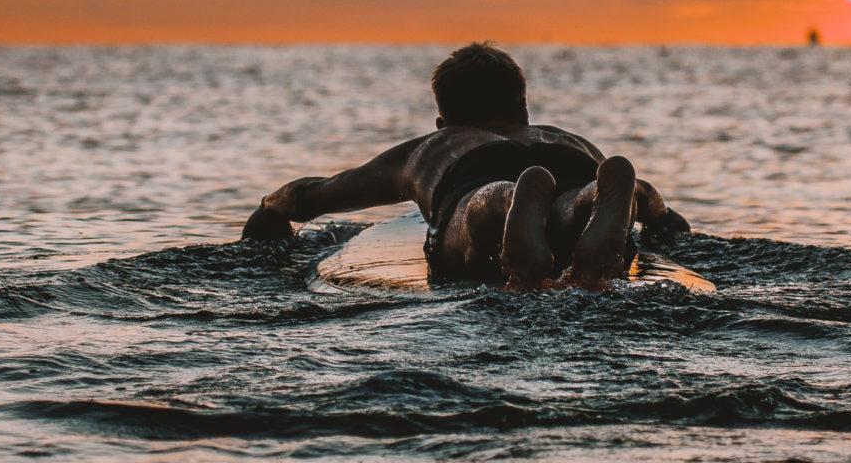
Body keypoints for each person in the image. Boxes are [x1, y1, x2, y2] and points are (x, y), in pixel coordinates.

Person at [241, 42, 690, 289]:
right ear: (525, 112)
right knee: (571, 204)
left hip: (474, 176)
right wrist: (664, 218)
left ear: (443, 121)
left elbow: (315, 194)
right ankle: (608, 196)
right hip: (571, 166)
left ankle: (510, 201)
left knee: (476, 211)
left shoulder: (436, 146)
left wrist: (271, 209)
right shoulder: (561, 137)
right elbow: (669, 223)